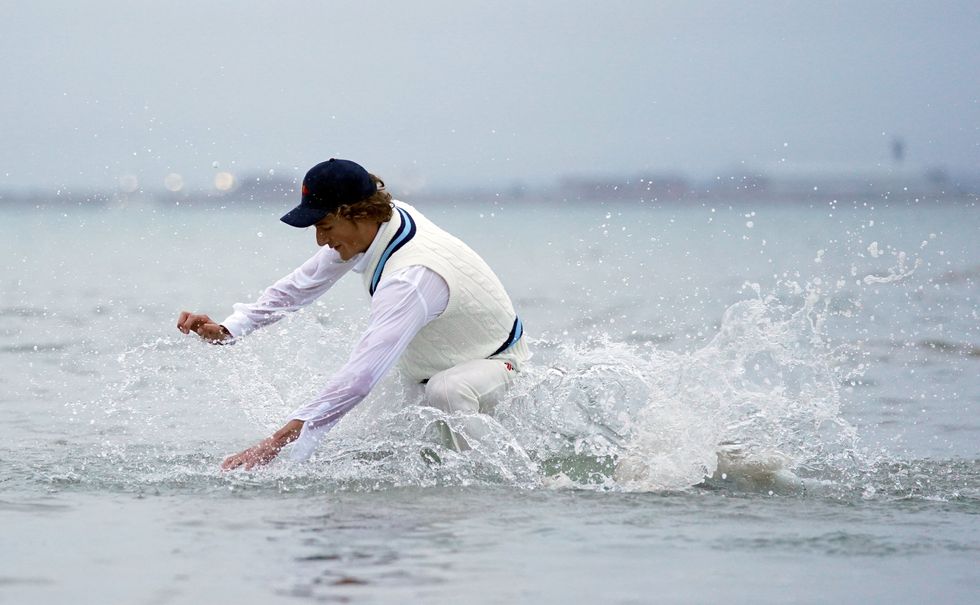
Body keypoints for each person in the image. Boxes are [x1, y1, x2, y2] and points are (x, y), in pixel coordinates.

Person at [176, 159, 529, 470]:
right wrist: (229, 329)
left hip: (495, 365)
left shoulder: (410, 279)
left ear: (357, 214)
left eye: (325, 226)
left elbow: (360, 377)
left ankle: (513, 480)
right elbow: (300, 286)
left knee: (446, 390)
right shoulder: (380, 222)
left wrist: (275, 443)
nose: (320, 240)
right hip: (424, 370)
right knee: (367, 446)